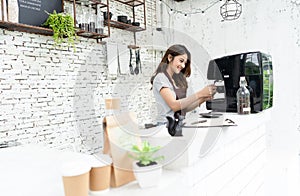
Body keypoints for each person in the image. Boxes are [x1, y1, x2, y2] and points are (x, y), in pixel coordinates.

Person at [150, 44, 217, 125]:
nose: (183, 66)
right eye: (181, 61)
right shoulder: (160, 78)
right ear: (170, 57)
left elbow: (183, 108)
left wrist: (203, 98)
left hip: (178, 124)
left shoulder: (176, 80)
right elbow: (174, 105)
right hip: (165, 125)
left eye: (185, 63)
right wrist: (200, 93)